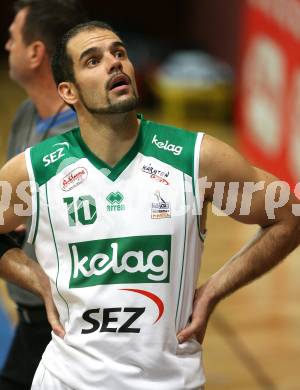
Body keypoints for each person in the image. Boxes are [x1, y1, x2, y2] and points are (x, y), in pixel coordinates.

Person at [0, 20, 299, 390]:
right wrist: (38, 281)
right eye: (93, 60)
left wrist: (212, 291)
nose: (114, 63)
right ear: (68, 91)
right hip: (66, 381)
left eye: (119, 53)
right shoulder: (36, 170)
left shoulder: (194, 158)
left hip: (171, 382)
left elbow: (288, 216)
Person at [0, 1, 87, 389]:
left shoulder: (76, 146)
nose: (6, 46)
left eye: (13, 37)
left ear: (35, 53)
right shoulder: (24, 113)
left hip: (62, 327)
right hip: (30, 315)